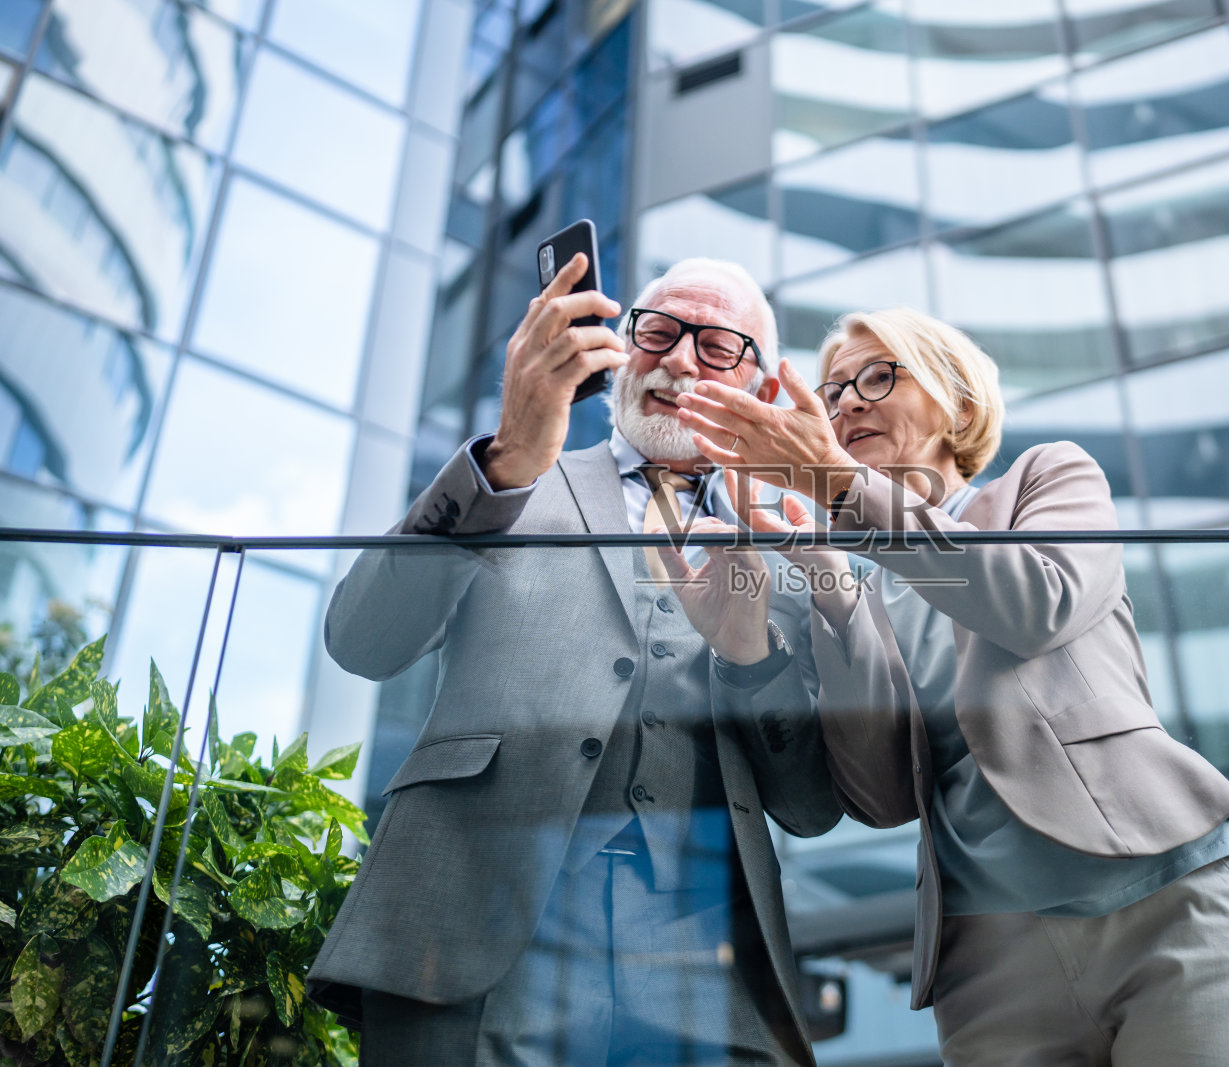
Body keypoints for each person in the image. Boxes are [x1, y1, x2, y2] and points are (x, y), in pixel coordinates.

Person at [673, 308, 1229, 1066]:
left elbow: (1035, 603)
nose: (845, 404)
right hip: (992, 967)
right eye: (832, 391)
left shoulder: (1047, 478)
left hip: (1164, 901)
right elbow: (881, 797)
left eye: (876, 377)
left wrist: (839, 488)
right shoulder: (853, 588)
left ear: (961, 407)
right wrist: (828, 582)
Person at [308, 254, 842, 1066]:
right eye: (657, 332)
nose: (678, 359)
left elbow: (808, 804)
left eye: (716, 345)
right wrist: (506, 458)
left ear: (764, 388)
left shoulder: (789, 548)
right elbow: (364, 638)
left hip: (704, 958)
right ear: (621, 351)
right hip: (476, 916)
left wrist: (749, 655)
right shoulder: (511, 476)